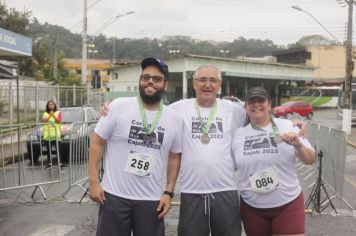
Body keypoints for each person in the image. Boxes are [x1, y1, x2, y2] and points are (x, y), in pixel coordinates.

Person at [101, 65, 307, 236]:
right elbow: (149, 109)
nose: (207, 84)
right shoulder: (178, 109)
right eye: (202, 80)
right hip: (192, 192)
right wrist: (112, 106)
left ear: (219, 85)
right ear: (194, 83)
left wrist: (292, 123)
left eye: (212, 80)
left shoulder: (234, 110)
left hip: (225, 191)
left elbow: (261, 117)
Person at [88, 57, 184, 236]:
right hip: (114, 197)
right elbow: (97, 142)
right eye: (145, 77)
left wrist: (168, 193)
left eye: (157, 79)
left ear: (165, 84)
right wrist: (93, 181)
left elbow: (174, 157)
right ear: (140, 80)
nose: (150, 81)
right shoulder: (118, 107)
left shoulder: (175, 119)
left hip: (151, 201)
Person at [231, 87, 315, 236]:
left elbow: (310, 160)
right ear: (246, 107)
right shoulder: (238, 134)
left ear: (269, 104)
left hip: (288, 204)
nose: (256, 105)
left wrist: (298, 145)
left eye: (261, 101)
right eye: (251, 102)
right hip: (252, 207)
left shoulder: (288, 126)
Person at [41, 100, 62, 167]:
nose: (51, 106)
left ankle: (60, 163)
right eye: (49, 105)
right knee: (48, 150)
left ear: (54, 105)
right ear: (47, 106)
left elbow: (59, 121)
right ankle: (49, 163)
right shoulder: (45, 114)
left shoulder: (58, 112)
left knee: (58, 150)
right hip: (48, 135)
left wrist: (53, 115)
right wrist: (50, 115)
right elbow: (44, 121)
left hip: (56, 134)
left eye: (52, 104)